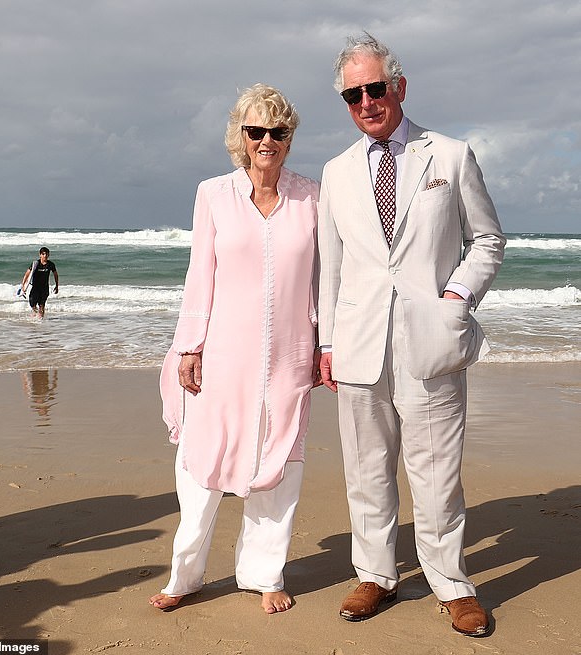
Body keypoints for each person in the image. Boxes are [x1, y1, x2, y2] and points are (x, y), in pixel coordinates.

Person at [318, 33, 506, 636]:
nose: (366, 102)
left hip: (431, 339)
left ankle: (450, 582)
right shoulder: (336, 172)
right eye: (353, 94)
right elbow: (331, 265)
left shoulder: (449, 155)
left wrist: (457, 295)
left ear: (399, 86)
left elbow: (488, 240)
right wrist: (324, 342)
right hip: (358, 343)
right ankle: (376, 574)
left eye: (375, 88)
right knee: (367, 469)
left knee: (436, 471)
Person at [150, 84, 320, 615]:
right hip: (222, 353)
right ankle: (186, 575)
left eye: (278, 131)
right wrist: (190, 346)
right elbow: (200, 273)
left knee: (279, 462)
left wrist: (326, 344)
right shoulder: (213, 194)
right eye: (256, 131)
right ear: (240, 138)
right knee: (203, 464)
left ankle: (263, 573)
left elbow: (325, 279)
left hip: (289, 355)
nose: (266, 140)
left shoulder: (312, 198)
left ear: (289, 139)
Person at [21, 247, 59, 318]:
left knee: (42, 305)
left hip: (44, 288)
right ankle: (36, 313)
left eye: (47, 254)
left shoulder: (51, 264)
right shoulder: (35, 264)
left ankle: (41, 320)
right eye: (43, 254)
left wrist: (57, 286)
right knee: (32, 304)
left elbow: (56, 275)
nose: (45, 256)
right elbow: (27, 274)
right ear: (40, 255)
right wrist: (23, 285)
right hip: (35, 288)